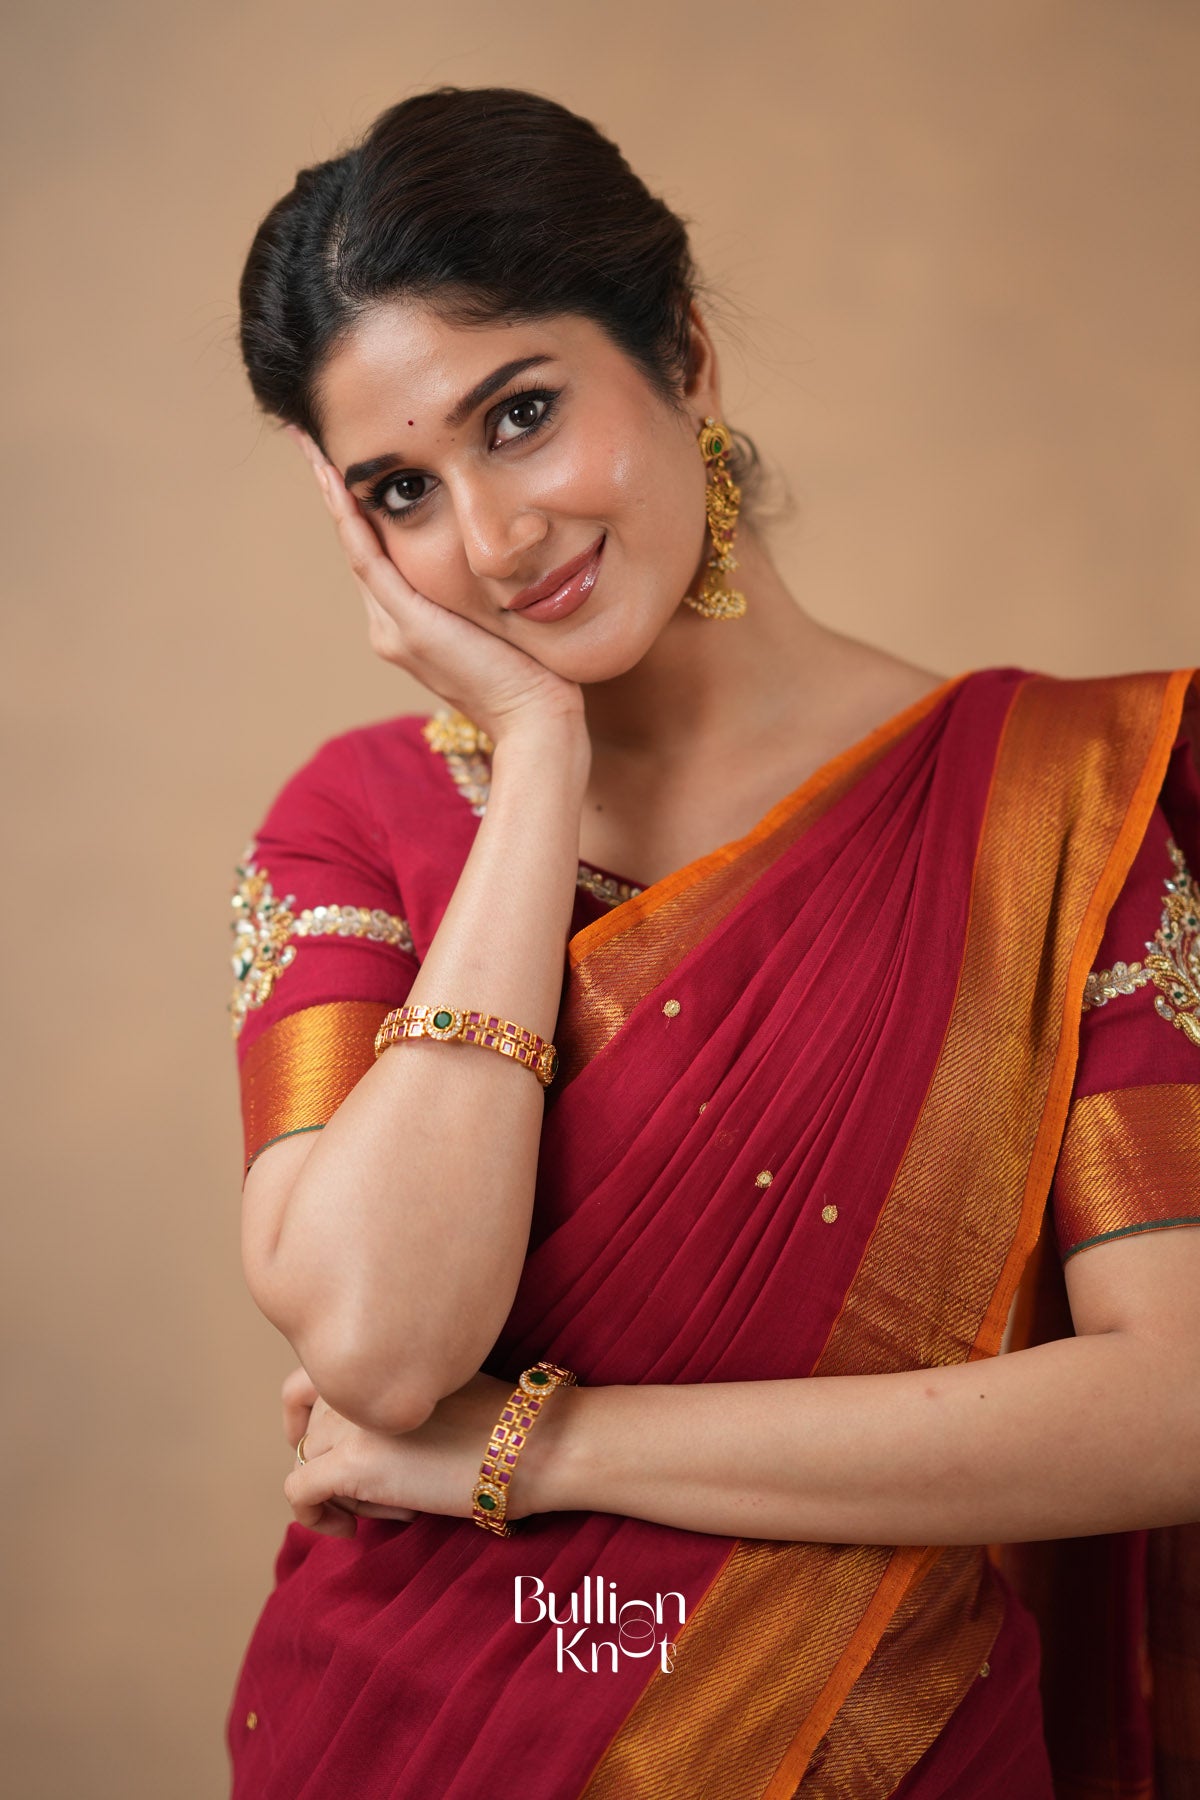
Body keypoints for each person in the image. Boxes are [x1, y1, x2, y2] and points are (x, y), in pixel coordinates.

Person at [225, 84, 1200, 1798]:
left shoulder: (1068, 802)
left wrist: (547, 1447)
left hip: (866, 1742)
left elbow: (1175, 1403)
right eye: (402, 489)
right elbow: (380, 1345)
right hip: (400, 1736)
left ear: (681, 356)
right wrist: (533, 767)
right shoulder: (355, 820)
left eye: (520, 415)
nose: (494, 539)